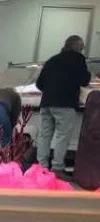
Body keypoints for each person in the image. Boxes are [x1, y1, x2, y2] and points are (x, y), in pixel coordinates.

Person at [36, 35, 94, 175]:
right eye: (82, 47)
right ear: (78, 47)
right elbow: (84, 80)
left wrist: (51, 92)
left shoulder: (52, 60)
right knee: (62, 136)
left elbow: (39, 83)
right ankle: (57, 168)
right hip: (65, 104)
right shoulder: (78, 59)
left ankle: (41, 168)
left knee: (44, 135)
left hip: (46, 103)